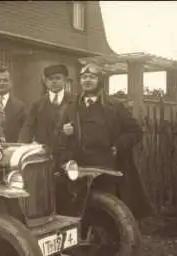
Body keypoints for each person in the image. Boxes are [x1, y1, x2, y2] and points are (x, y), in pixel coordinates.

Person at [55, 63, 154, 220]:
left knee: (112, 210)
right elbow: (58, 136)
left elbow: (135, 131)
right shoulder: (71, 107)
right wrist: (65, 133)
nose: (87, 80)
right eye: (84, 77)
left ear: (100, 80)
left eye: (92, 77)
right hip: (80, 168)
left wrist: (118, 145)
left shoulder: (114, 106)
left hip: (109, 167)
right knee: (80, 208)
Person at [18, 64, 74, 151]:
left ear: (65, 80)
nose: (54, 82)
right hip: (44, 154)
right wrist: (22, 148)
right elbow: (27, 128)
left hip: (69, 153)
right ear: (45, 82)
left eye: (58, 78)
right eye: (50, 79)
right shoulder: (38, 104)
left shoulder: (74, 101)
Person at [0, 67, 27, 142]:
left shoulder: (20, 106)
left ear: (11, 83)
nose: (2, 83)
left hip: (11, 148)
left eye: (5, 80)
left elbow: (25, 131)